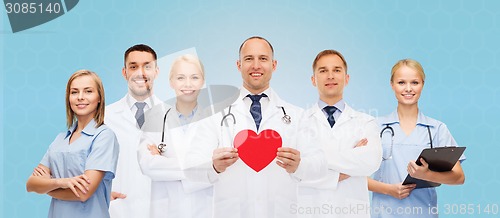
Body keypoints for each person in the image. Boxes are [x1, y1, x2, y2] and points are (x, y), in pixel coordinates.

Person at [184, 36, 326, 218]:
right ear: (239, 65)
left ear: (274, 65)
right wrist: (213, 166)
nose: (256, 65)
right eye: (249, 59)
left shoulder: (298, 116)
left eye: (263, 59)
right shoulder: (214, 113)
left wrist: (299, 166)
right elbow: (189, 166)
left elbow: (321, 165)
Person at [368, 59, 465, 218]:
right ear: (392, 85)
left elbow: (459, 177)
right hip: (384, 213)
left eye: (414, 82)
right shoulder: (374, 126)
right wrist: (389, 190)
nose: (408, 88)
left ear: (422, 85)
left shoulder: (436, 129)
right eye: (401, 82)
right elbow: (355, 177)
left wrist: (427, 175)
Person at [297, 50, 382, 218]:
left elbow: (371, 162)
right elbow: (294, 173)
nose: (330, 76)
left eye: (336, 70)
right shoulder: (297, 122)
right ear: (313, 80)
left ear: (347, 78)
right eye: (323, 71)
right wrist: (349, 164)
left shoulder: (366, 122)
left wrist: (312, 159)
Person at [26, 70, 119, 218]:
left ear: (99, 97)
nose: (80, 97)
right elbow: (31, 184)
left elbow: (83, 193)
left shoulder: (103, 136)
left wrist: (47, 187)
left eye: (88, 91)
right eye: (74, 92)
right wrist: (62, 182)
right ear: (68, 98)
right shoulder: (60, 140)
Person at [138, 54, 213, 217]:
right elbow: (148, 165)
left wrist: (164, 163)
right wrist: (202, 167)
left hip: (204, 210)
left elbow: (218, 170)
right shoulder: (155, 118)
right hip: (166, 211)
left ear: (203, 82)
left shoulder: (215, 121)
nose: (187, 84)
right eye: (180, 78)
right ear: (171, 82)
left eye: (194, 77)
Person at [106, 44, 162, 218]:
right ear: (125, 73)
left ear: (156, 72)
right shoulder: (105, 117)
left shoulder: (173, 115)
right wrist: (100, 193)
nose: (141, 73)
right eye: (133, 66)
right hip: (118, 210)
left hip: (160, 209)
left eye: (147, 66)